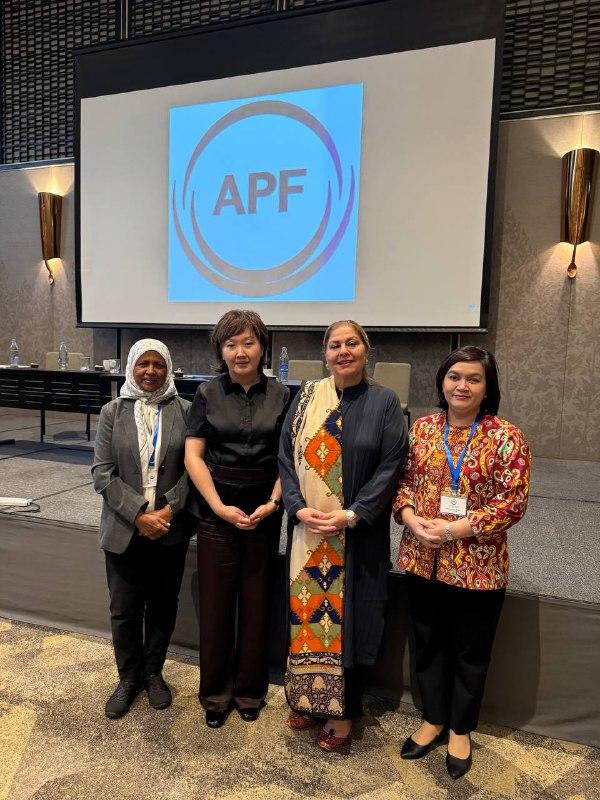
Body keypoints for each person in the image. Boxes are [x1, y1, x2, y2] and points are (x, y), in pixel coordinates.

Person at [393, 346, 531, 779]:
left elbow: (512, 503)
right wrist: (410, 518)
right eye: (454, 377)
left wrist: (455, 529)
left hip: (478, 565)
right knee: (428, 642)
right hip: (422, 558)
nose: (462, 386)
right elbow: (403, 482)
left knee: (471, 650)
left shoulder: (506, 437)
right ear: (442, 382)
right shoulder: (421, 430)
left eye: (473, 378)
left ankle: (459, 729)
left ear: (488, 387)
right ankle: (433, 719)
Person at [278, 320, 408, 752]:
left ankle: (344, 710)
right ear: (325, 354)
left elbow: (392, 465)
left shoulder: (385, 402)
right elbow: (284, 459)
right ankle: (309, 699)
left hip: (358, 535)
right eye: (335, 345)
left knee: (352, 621)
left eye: (352, 343)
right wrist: (297, 507)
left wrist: (353, 514)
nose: (343, 351)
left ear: (366, 350)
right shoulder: (306, 398)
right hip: (310, 533)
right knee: (309, 616)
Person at [184, 310, 290, 728]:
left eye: (248, 343)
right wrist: (216, 506)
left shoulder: (282, 395)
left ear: (263, 347)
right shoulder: (207, 392)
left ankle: (250, 691)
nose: (240, 352)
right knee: (216, 604)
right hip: (216, 511)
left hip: (264, 509)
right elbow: (194, 455)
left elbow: (287, 458)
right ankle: (215, 695)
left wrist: (274, 502)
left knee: (256, 603)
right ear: (221, 350)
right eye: (231, 344)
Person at [92, 339, 192, 719]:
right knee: (124, 609)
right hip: (123, 528)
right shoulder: (111, 411)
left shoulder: (185, 410)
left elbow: (194, 469)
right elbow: (102, 473)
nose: (151, 371)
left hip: (169, 528)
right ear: (131, 367)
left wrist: (167, 510)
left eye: (158, 364)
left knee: (163, 605)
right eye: (143, 364)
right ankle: (128, 678)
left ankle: (153, 674)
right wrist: (138, 515)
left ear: (168, 369)